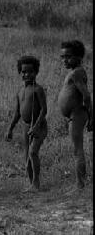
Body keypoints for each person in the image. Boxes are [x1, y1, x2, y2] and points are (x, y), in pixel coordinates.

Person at [6, 56, 48, 192]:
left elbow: (44, 109)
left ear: (36, 72)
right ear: (20, 72)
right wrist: (10, 129)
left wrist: (36, 126)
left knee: (33, 152)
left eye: (30, 72)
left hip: (38, 127)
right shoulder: (20, 91)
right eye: (23, 72)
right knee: (26, 158)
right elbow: (17, 113)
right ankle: (31, 185)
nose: (26, 75)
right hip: (25, 127)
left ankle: (36, 184)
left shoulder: (38, 89)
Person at [58, 40, 93, 190]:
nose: (65, 60)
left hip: (78, 114)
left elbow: (86, 95)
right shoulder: (74, 72)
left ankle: (80, 185)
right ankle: (80, 184)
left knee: (77, 150)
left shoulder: (77, 72)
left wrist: (90, 115)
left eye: (68, 56)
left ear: (79, 56)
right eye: (63, 57)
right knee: (76, 149)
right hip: (75, 114)